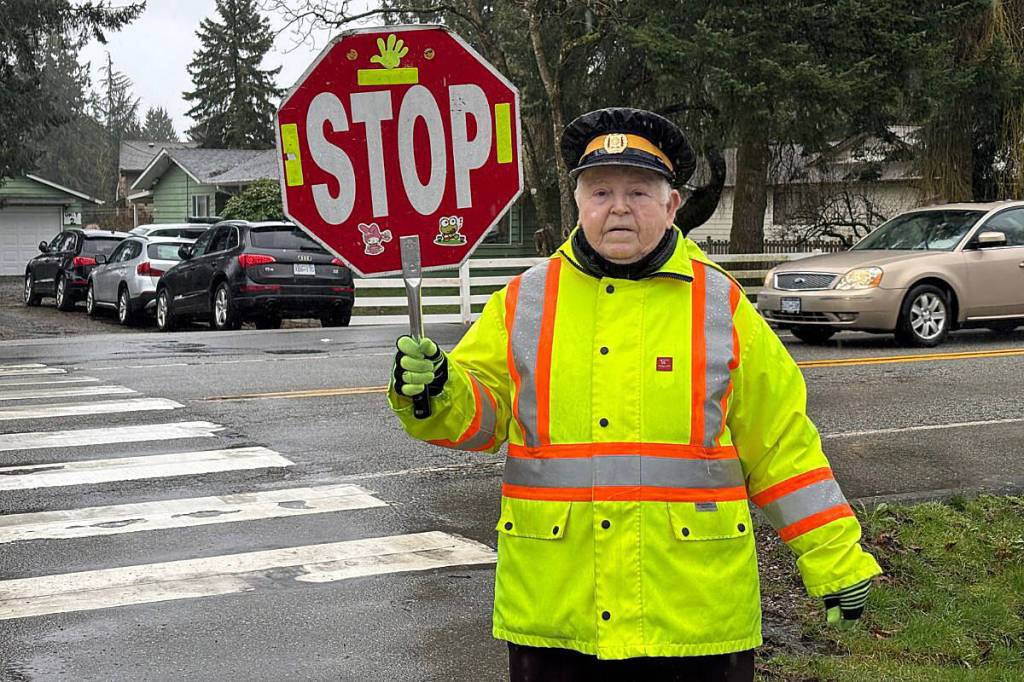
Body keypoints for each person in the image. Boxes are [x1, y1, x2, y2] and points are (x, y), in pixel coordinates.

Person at [388, 107, 881, 681]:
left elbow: (781, 446)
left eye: (639, 192)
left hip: (693, 621)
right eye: (601, 191)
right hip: (557, 617)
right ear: (577, 201)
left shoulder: (721, 306)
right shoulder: (524, 300)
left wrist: (836, 558)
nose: (618, 207)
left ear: (672, 205)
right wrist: (436, 391)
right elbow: (477, 419)